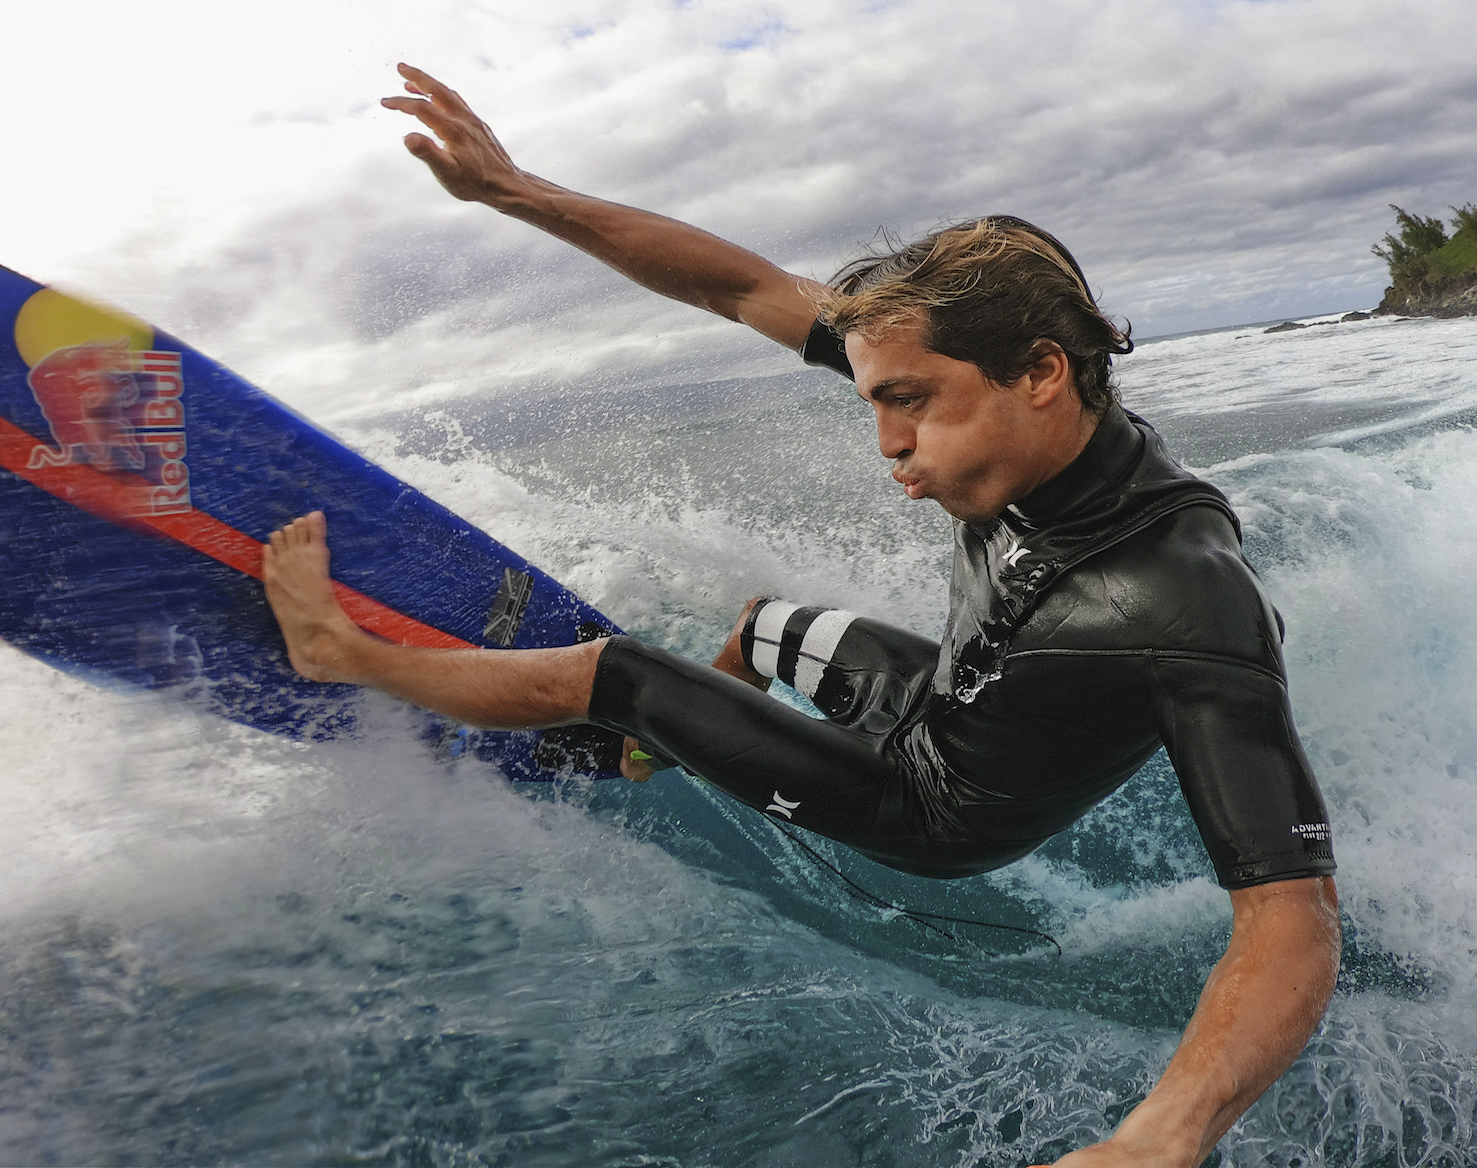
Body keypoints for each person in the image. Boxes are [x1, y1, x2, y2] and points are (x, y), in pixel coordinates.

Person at [260, 63, 1340, 1167]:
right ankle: (658, 756)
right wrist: (513, 190)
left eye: (907, 405)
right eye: (875, 401)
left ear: (1042, 373)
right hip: (940, 699)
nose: (886, 447)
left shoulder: (1185, 599)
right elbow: (733, 286)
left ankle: (338, 651)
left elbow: (1290, 916)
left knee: (621, 670)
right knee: (765, 624)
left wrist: (1158, 1138)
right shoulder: (1018, 420)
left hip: (931, 807)